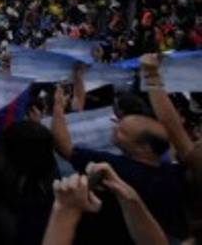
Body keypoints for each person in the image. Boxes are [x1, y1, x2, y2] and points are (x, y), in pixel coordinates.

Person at [50, 85, 186, 243]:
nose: (114, 129)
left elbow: (63, 146)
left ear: (143, 147)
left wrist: (58, 106)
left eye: (122, 131)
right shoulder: (174, 173)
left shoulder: (116, 168)